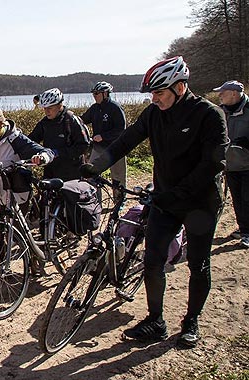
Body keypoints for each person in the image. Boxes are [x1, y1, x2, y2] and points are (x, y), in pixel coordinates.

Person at [80, 56, 228, 348]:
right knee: (152, 261)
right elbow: (126, 140)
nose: (155, 98)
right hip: (165, 200)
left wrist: (179, 191)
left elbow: (214, 162)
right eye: (152, 94)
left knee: (198, 264)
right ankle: (156, 321)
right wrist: (95, 166)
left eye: (159, 93)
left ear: (180, 87)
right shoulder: (153, 114)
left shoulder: (208, 115)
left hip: (200, 202)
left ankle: (191, 321)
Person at [0, 105, 54, 219]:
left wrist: (41, 157)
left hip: (15, 195)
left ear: (1, 123)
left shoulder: (14, 138)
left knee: (15, 233)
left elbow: (44, 151)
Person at [212, 80, 249, 248]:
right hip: (230, 165)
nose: (219, 96)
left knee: (247, 199)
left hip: (247, 164)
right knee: (237, 200)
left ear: (234, 94)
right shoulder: (222, 112)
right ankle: (243, 229)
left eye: (223, 93)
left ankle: (248, 233)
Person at [27, 88, 90, 181]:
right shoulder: (44, 123)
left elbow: (83, 146)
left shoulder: (71, 120)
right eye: (45, 108)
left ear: (60, 105)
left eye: (50, 108)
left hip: (72, 173)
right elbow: (31, 140)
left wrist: (58, 153)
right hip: (50, 172)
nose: (46, 111)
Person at [81, 81, 127, 201]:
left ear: (105, 93)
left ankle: (119, 200)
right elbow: (83, 120)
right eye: (93, 94)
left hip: (115, 148)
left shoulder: (115, 108)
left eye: (96, 93)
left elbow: (121, 129)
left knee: (117, 177)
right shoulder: (94, 108)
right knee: (91, 174)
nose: (94, 96)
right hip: (98, 148)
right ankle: (96, 200)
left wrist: (103, 136)